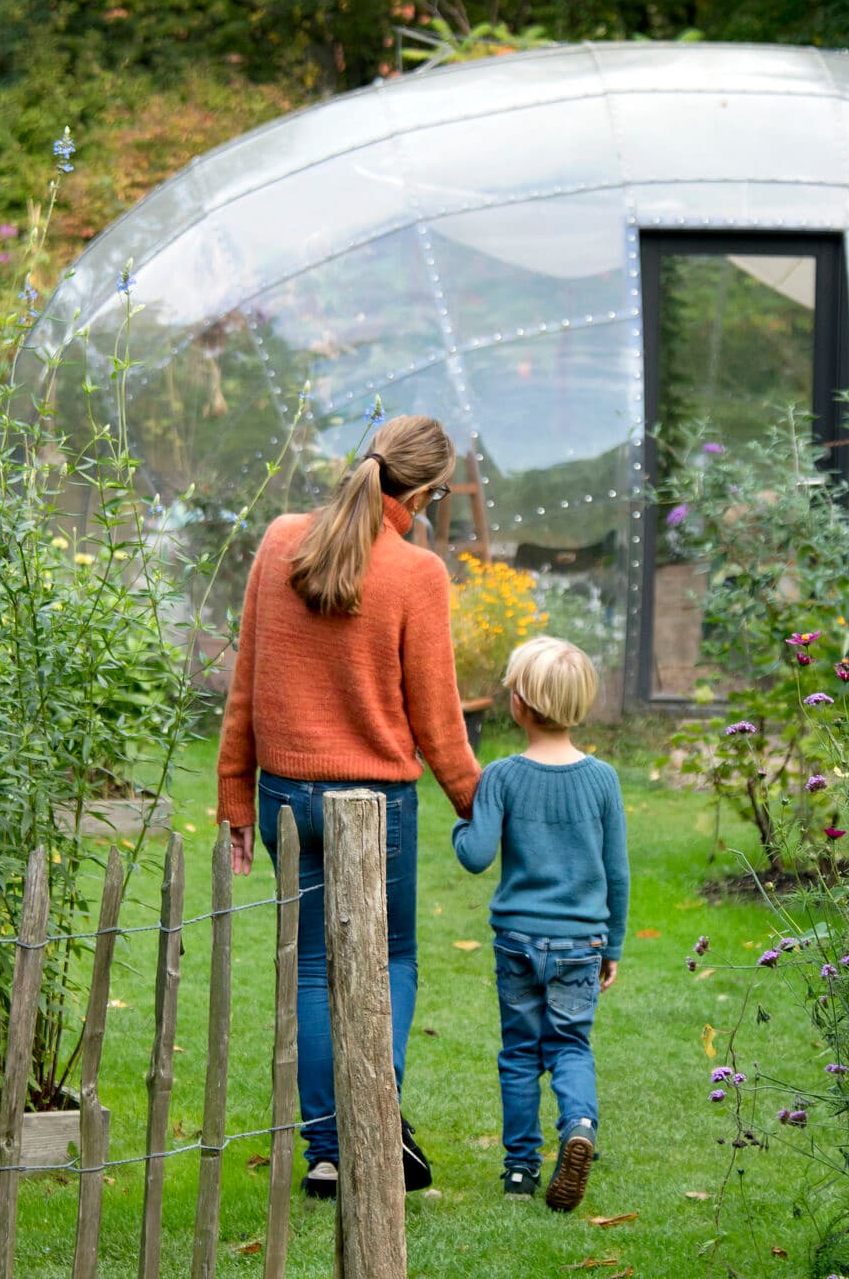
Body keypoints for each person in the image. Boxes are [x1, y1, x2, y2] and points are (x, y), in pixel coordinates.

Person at [216, 413, 481, 1200]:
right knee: (390, 959)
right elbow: (438, 721)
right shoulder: (417, 572)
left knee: (309, 969)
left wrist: (234, 791)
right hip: (377, 806)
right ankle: (375, 1122)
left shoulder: (279, 540)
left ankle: (328, 1150)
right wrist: (480, 805)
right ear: (426, 492)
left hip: (284, 798)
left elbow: (246, 681)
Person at [451, 636, 629, 1211]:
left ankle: (521, 1170)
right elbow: (616, 873)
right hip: (582, 941)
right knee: (571, 1046)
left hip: (519, 942)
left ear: (520, 705)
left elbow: (476, 855)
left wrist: (462, 828)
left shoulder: (502, 776)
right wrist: (613, 946)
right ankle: (578, 1126)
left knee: (520, 1053)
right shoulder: (603, 780)